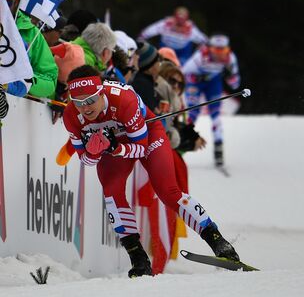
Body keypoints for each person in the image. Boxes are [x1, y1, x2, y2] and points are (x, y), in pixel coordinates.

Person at [62, 65, 240, 277]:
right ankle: (138, 259)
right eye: (79, 102)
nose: (86, 107)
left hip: (147, 136)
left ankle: (218, 241)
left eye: (90, 100)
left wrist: (114, 148)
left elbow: (141, 147)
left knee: (167, 191)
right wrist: (93, 152)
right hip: (114, 144)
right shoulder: (71, 115)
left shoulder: (123, 100)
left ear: (101, 92)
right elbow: (85, 161)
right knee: (112, 192)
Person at [182, 34, 240, 167]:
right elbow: (183, 72)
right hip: (196, 83)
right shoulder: (201, 56)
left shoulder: (230, 58)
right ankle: (181, 148)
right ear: (210, 49)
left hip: (213, 83)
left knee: (215, 114)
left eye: (223, 51)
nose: (220, 55)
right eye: (216, 50)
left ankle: (218, 147)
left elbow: (235, 84)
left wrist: (230, 75)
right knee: (192, 114)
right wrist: (196, 79)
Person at [1, 0, 58, 98]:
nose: (2, 7)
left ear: (15, 2)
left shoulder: (31, 33)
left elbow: (50, 82)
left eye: (7, 2)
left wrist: (21, 79)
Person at [139, 6, 207, 65]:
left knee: (183, 67)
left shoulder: (190, 28)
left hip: (182, 51)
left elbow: (204, 41)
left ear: (186, 19)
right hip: (166, 47)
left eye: (182, 19)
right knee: (160, 65)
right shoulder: (167, 23)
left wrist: (198, 55)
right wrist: (142, 39)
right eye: (178, 19)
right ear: (175, 17)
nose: (180, 22)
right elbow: (149, 31)